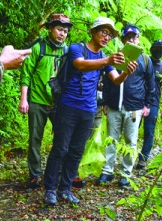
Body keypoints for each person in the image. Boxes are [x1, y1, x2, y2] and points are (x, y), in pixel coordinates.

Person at [44, 17, 137, 205]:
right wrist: (107, 60)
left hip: (88, 109)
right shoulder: (77, 48)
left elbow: (116, 80)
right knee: (60, 148)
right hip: (68, 106)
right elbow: (80, 64)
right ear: (93, 31)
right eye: (104, 32)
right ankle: (50, 190)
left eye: (110, 35)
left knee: (77, 151)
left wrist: (127, 72)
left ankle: (65, 189)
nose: (106, 37)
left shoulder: (106, 58)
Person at [18, 14, 73, 189]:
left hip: (59, 103)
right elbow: (26, 74)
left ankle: (58, 171)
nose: (62, 34)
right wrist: (23, 99)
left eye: (65, 31)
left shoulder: (68, 51)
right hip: (37, 100)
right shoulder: (38, 48)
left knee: (63, 138)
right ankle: (35, 174)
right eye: (59, 29)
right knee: (35, 138)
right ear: (50, 28)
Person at [96, 24, 155, 187]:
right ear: (122, 39)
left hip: (134, 106)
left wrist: (147, 104)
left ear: (138, 38)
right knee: (111, 139)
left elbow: (151, 83)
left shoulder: (145, 59)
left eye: (134, 37)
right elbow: (108, 81)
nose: (131, 40)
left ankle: (126, 173)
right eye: (128, 37)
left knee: (131, 141)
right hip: (114, 105)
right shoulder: (115, 57)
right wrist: (105, 102)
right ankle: (107, 171)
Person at [136, 40, 162, 169]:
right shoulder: (144, 62)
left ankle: (143, 159)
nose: (158, 51)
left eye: (161, 49)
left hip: (154, 103)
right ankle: (129, 155)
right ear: (151, 49)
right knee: (134, 130)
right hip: (138, 101)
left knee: (149, 132)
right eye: (156, 48)